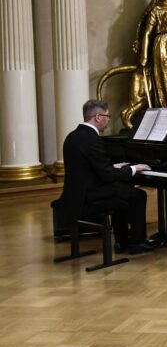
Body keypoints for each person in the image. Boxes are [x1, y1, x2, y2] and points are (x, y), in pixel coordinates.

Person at [58, 100, 157, 255]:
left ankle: (121, 242)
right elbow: (108, 175)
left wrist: (115, 167)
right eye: (107, 116)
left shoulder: (73, 136)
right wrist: (134, 168)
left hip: (74, 194)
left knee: (123, 192)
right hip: (88, 197)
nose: (109, 119)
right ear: (98, 117)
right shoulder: (92, 139)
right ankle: (137, 243)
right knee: (137, 195)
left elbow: (88, 167)